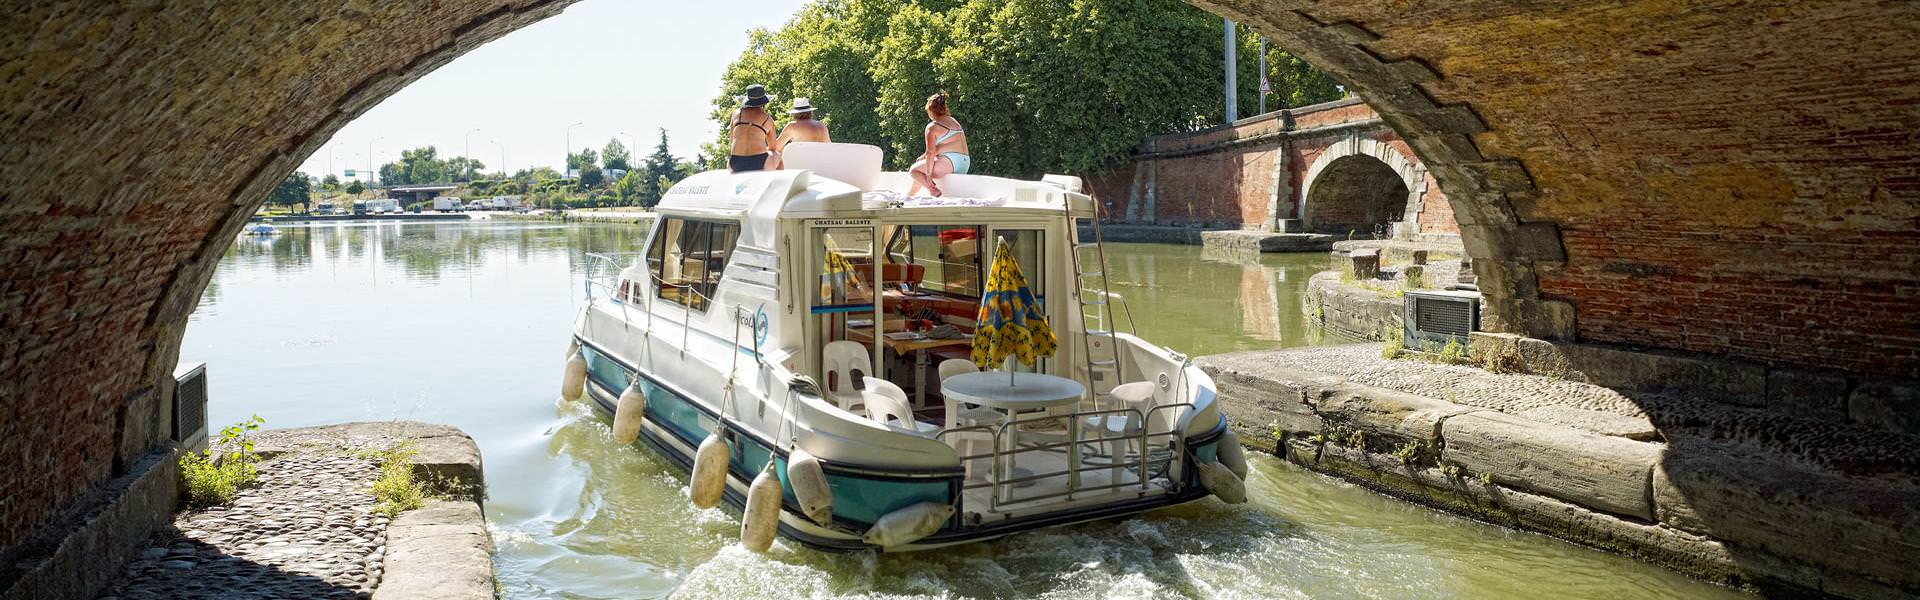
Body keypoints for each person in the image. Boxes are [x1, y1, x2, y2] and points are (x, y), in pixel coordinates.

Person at [909, 92, 969, 197]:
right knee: (921, 166)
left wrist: (928, 176)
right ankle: (910, 195)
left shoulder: (932, 126)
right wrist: (922, 158)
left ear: (930, 111)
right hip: (964, 162)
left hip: (949, 163)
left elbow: (930, 152)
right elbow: (943, 147)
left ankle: (933, 190)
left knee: (914, 170)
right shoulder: (953, 121)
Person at [727, 84, 779, 172]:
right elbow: (773, 147)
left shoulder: (736, 114)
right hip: (758, 163)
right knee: (777, 154)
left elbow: (732, 140)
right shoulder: (767, 119)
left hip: (735, 163)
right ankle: (778, 184)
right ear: (764, 103)